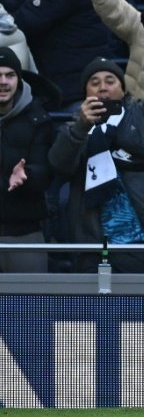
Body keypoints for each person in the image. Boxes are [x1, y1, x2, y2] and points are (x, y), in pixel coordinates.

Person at [48, 12, 144, 273]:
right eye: (94, 82)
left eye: (110, 80)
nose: (102, 87)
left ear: (123, 89)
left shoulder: (143, 115)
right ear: (85, 92)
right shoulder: (73, 127)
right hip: (96, 243)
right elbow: (59, 166)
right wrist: (81, 127)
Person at [0, 46, 53, 273]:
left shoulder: (38, 118)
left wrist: (27, 176)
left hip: (24, 230)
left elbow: (46, 171)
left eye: (10, 75)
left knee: (29, 306)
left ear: (19, 79)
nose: (3, 81)